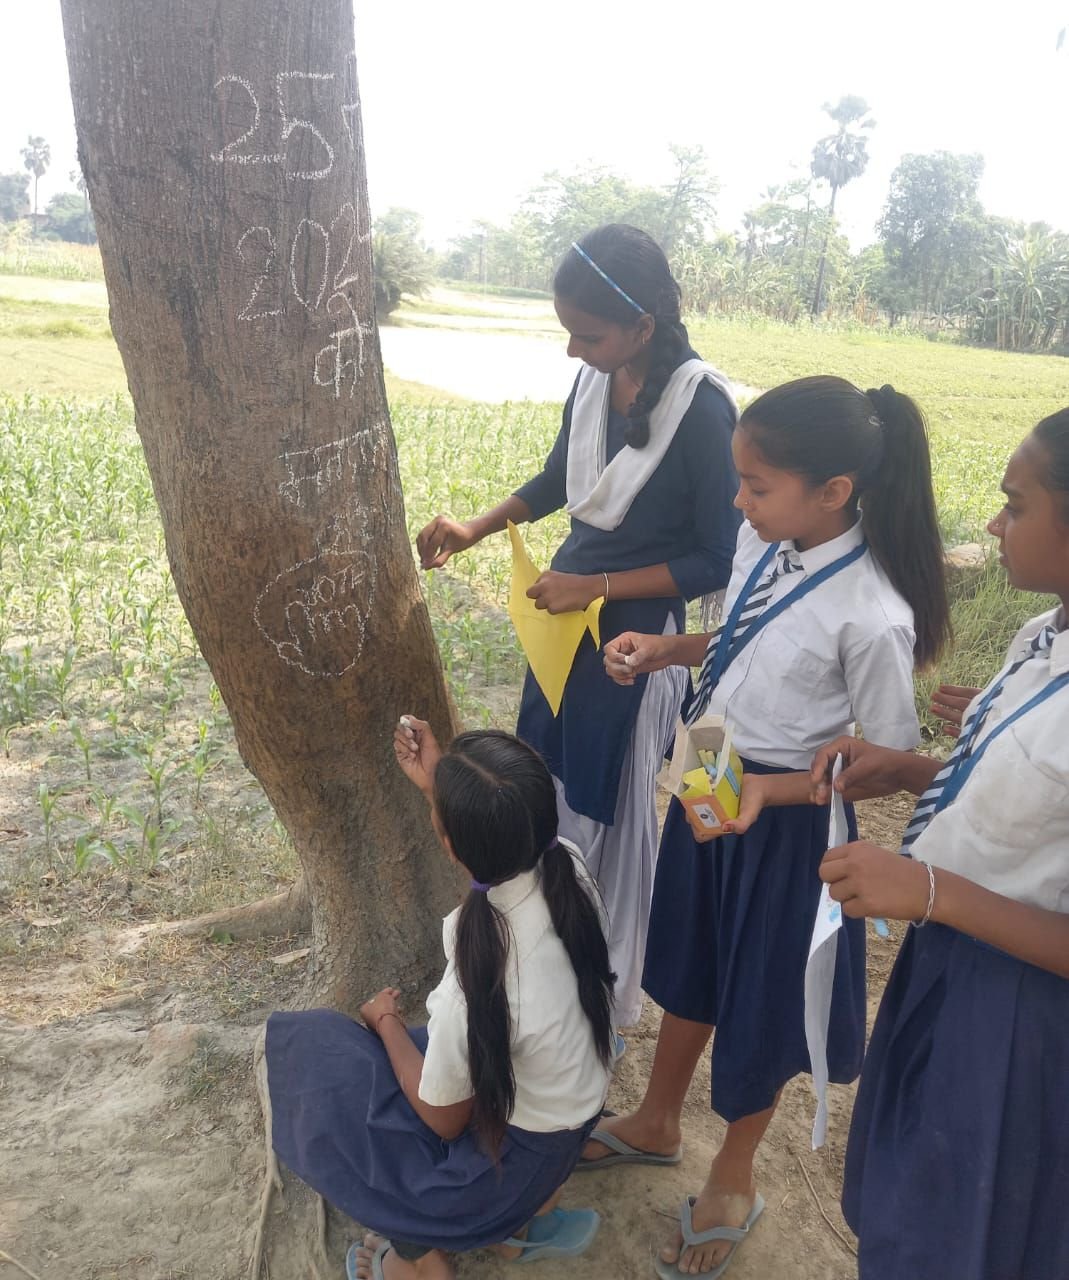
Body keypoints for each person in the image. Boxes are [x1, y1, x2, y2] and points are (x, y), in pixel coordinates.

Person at [584, 375, 951, 1280]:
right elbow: (741, 636)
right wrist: (669, 650)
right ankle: (657, 1120)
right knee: (692, 960)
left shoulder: (871, 614)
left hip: (787, 829)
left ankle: (733, 1173)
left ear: (833, 492)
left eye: (755, 486)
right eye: (739, 481)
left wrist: (773, 795)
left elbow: (881, 760)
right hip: (713, 773)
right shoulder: (764, 541)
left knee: (762, 999)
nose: (737, 503)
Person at [416, 224, 740, 1027]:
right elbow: (563, 475)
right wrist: (475, 527)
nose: (572, 351)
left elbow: (713, 558)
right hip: (565, 628)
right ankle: (542, 967)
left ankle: (604, 993)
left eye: (587, 336)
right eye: (567, 333)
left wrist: (594, 584)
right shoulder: (597, 381)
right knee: (546, 792)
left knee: (610, 818)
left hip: (635, 646)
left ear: (642, 326)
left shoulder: (702, 409)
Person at [808, 406, 1069, 1280]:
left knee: (958, 1232)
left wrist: (928, 891)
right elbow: (1030, 806)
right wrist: (911, 771)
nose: (993, 525)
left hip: (1024, 1013)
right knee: (908, 1199)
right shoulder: (1042, 637)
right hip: (952, 960)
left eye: (1015, 506)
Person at [265, 722, 616, 1280]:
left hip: (513, 1170)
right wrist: (441, 789)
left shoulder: (478, 978)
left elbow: (444, 1120)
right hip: (569, 1128)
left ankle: (423, 1263)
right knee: (411, 1061)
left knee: (325, 1063)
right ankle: (519, 1229)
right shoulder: (567, 865)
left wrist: (385, 1021)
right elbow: (495, 855)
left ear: (451, 845)